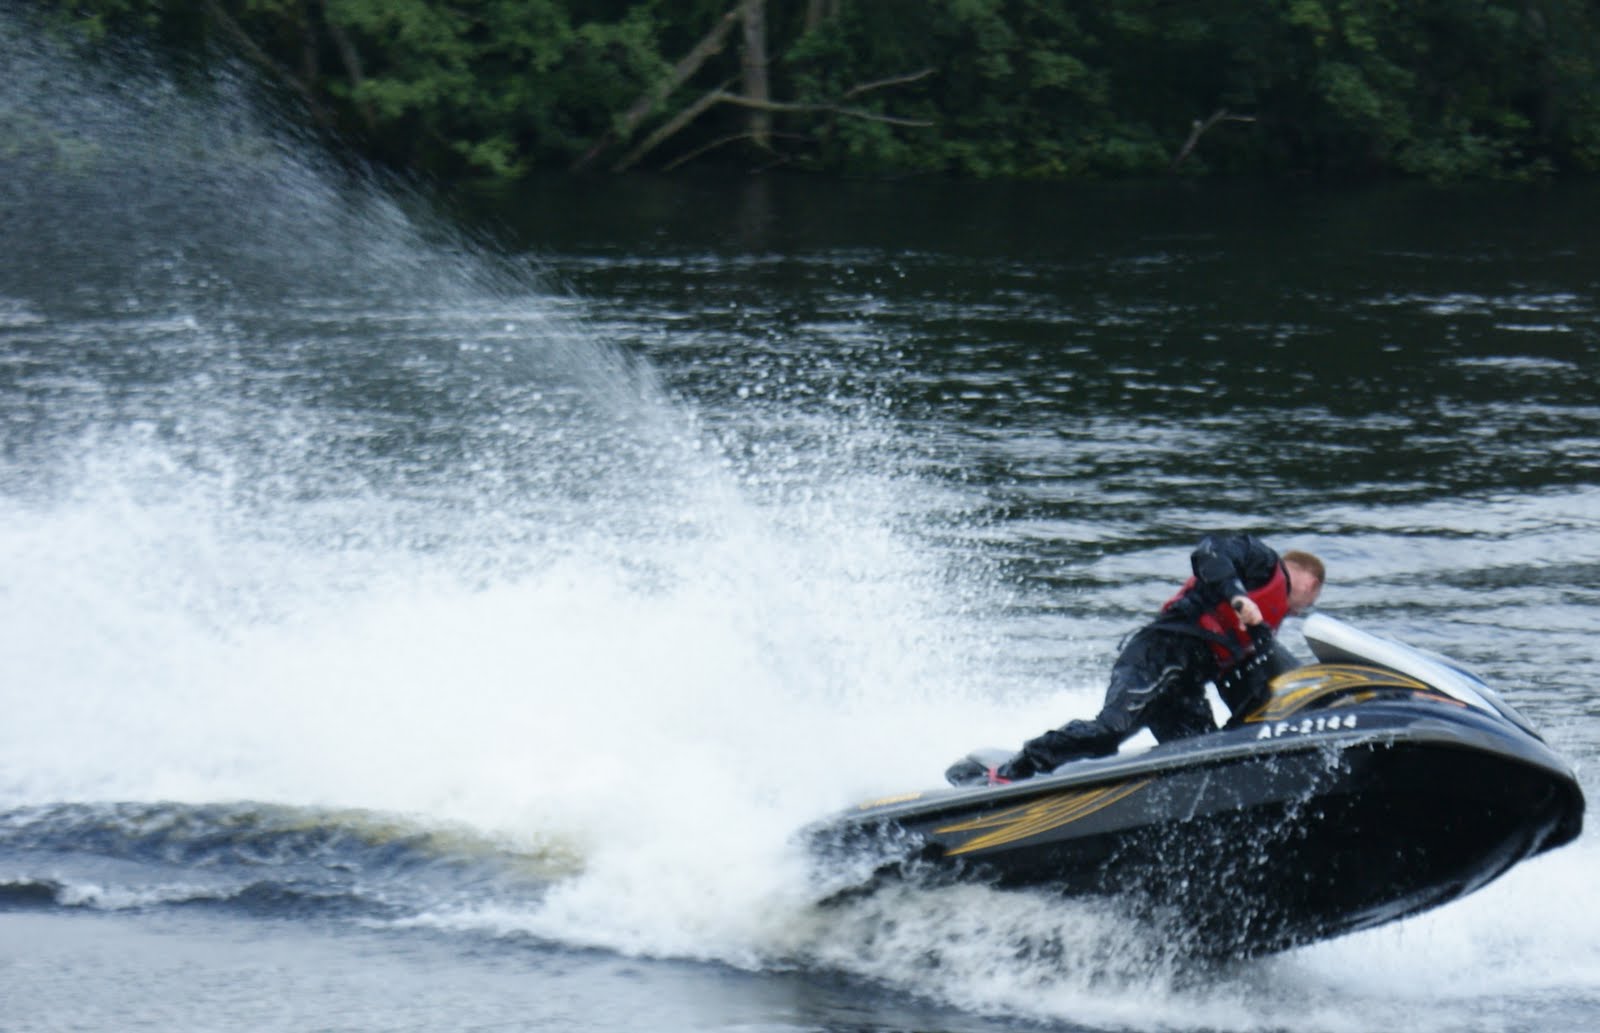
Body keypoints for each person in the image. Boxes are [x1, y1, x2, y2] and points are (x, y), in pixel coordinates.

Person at [956, 534, 1325, 785]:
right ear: (1309, 586)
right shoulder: (1261, 563)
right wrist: (1238, 597)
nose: (1297, 614)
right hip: (1156, 655)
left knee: (1205, 764)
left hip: (1183, 687)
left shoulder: (1262, 633)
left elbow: (1251, 694)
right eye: (1308, 604)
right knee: (1109, 733)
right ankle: (1012, 770)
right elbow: (1209, 552)